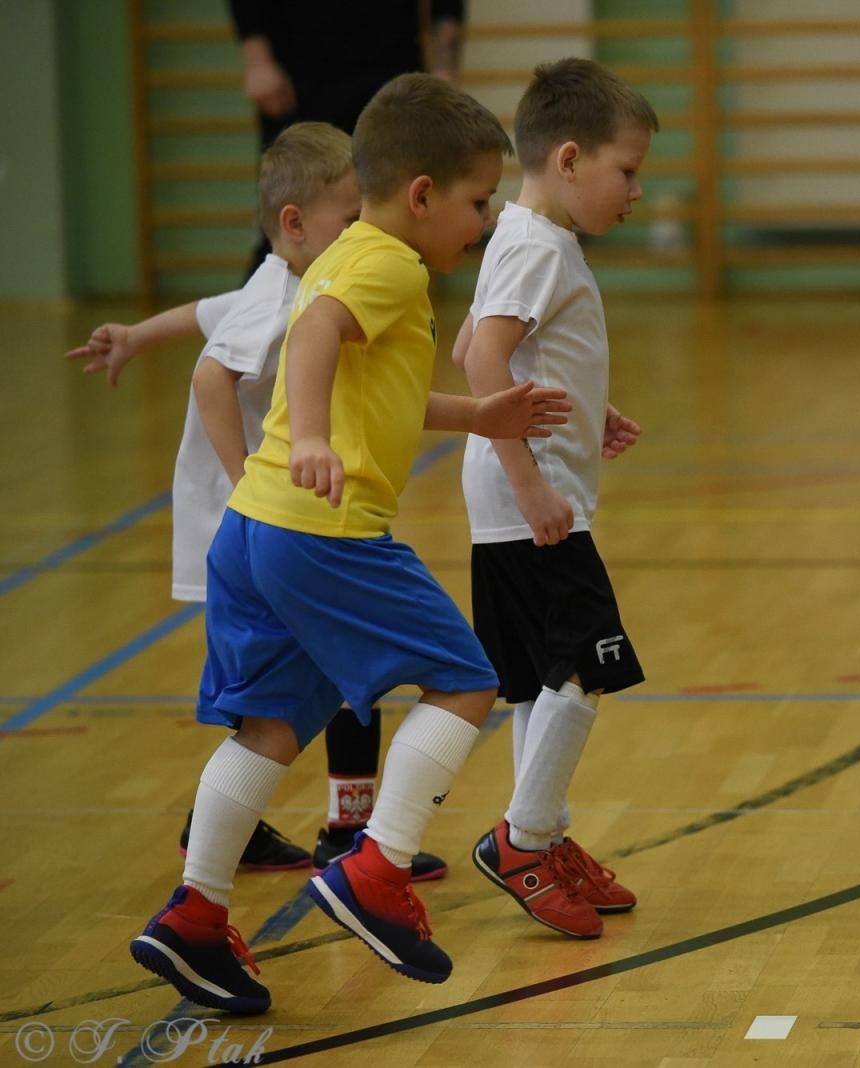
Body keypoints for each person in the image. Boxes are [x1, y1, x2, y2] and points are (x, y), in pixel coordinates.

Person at [129, 73, 571, 1014]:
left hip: (251, 529)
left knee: (273, 727)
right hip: (321, 536)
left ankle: (196, 914)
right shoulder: (389, 265)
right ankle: (377, 871)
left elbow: (384, 387)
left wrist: (479, 412)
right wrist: (320, 438)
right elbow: (315, 340)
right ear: (421, 195)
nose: (486, 221)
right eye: (478, 201)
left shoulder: (337, 256)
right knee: (465, 678)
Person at [66, 124, 449, 882]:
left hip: (277, 521)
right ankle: (344, 829)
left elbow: (206, 313)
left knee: (298, 682)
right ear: (295, 225)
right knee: (315, 676)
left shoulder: (290, 283)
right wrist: (248, 477)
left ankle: (259, 829)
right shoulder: (285, 299)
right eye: (350, 219)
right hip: (259, 521)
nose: (363, 232)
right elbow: (212, 376)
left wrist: (136, 336)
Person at [452, 58, 654, 939]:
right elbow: (482, 361)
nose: (637, 191)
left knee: (542, 679)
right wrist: (532, 480)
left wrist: (582, 405)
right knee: (584, 671)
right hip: (529, 497)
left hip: (509, 490)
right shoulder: (536, 245)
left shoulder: (518, 236)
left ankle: (548, 834)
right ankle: (522, 839)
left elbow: (477, 340)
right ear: (569, 159)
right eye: (629, 170)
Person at [230, 0, 465, 272]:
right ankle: (276, 307)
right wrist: (257, 57)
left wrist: (445, 67)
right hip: (300, 75)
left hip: (389, 67)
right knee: (289, 215)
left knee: (392, 218)